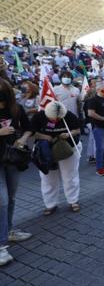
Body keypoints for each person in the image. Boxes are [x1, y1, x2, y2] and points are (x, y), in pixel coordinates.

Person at [0, 78, 32, 266]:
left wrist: (23, 139)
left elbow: (29, 129)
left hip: (13, 158)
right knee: (2, 200)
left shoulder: (17, 109)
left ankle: (9, 230)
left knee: (11, 197)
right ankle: (1, 245)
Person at [32, 101, 82, 215]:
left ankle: (73, 201)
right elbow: (31, 132)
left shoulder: (68, 115)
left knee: (70, 175)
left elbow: (78, 130)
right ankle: (50, 204)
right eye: (53, 118)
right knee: (48, 177)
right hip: (46, 150)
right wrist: (46, 137)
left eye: (59, 118)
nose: (56, 121)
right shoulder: (39, 116)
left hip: (68, 148)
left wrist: (68, 134)